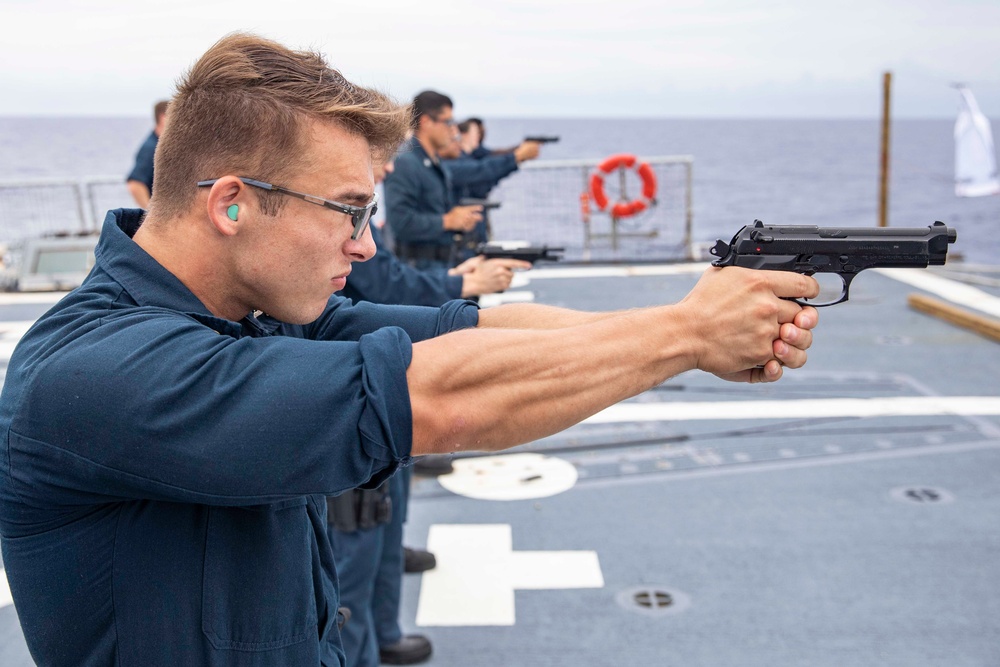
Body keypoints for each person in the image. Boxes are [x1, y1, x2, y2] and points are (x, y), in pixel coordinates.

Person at [0, 32, 820, 667]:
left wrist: (690, 321)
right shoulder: (91, 372)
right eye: (349, 210)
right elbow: (432, 397)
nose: (362, 246)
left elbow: (466, 335)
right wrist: (684, 334)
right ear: (233, 205)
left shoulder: (248, 314)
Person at [330, 160, 531, 666]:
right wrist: (458, 286)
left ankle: (383, 636)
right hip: (360, 388)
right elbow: (382, 285)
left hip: (379, 381)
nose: (391, 165)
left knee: (380, 526)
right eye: (379, 155)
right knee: (356, 545)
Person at [125, 99, 169, 207]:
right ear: (163, 118)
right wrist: (150, 213)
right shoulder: (151, 148)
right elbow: (135, 184)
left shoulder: (163, 145)